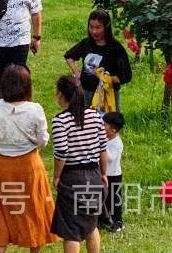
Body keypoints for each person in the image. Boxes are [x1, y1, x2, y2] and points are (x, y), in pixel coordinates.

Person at [0, 64, 53, 252]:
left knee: (1, 208)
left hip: (2, 165)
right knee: (33, 207)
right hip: (29, 165)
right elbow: (43, 140)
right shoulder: (35, 110)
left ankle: (1, 249)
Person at [50, 76, 108, 253]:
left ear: (60, 95)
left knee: (71, 231)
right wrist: (103, 174)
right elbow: (103, 149)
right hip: (94, 174)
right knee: (91, 226)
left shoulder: (60, 121)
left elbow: (62, 153)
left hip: (73, 177)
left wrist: (57, 176)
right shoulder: (95, 116)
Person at [64, 10, 132, 113]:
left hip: (108, 96)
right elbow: (69, 56)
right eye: (91, 27)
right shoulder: (86, 44)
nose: (94, 31)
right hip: (86, 92)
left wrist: (106, 79)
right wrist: (78, 73)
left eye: (98, 27)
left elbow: (126, 76)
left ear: (106, 27)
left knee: (109, 126)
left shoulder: (116, 48)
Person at [99, 112, 124, 233]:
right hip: (104, 174)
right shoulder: (107, 139)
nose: (102, 127)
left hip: (114, 175)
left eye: (104, 125)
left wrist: (101, 146)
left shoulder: (117, 143)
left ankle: (118, 221)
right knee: (104, 198)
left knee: (115, 199)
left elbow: (109, 158)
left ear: (113, 130)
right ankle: (103, 219)